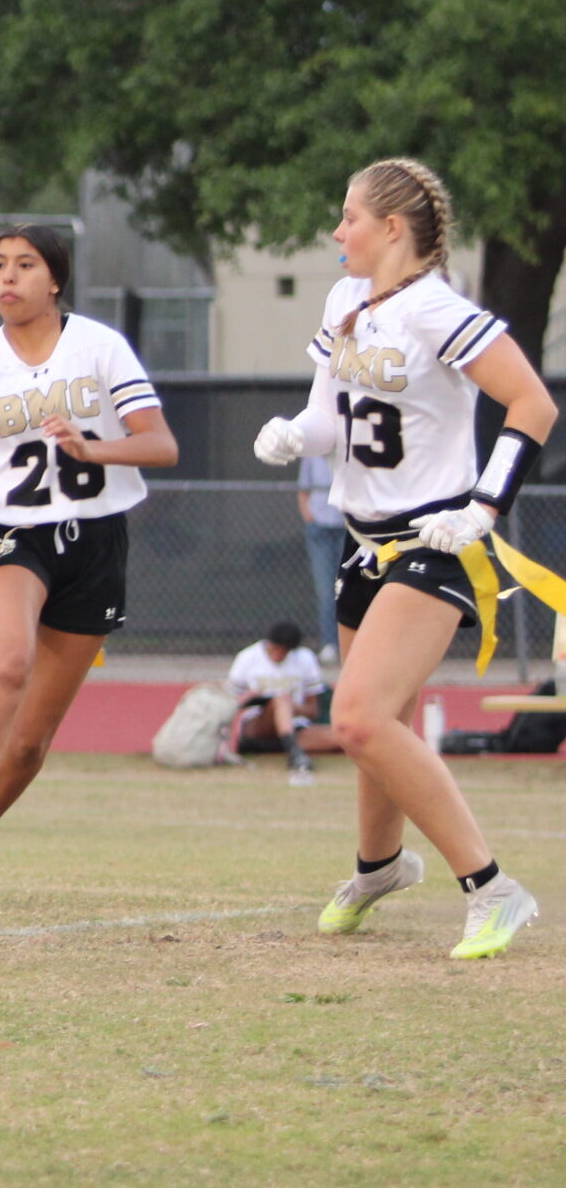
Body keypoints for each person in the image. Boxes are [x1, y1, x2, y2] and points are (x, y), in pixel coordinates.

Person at [253, 156, 552, 960]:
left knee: (355, 715)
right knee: (376, 724)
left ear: (393, 228)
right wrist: (294, 435)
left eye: (348, 217)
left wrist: (482, 506)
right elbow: (328, 418)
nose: (335, 231)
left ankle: (493, 887)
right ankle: (379, 865)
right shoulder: (346, 298)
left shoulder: (436, 310)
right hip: (363, 539)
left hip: (433, 541)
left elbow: (533, 404)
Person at [0, 225, 179, 897]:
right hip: (8, 531)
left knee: (31, 741)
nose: (7, 278)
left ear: (56, 280)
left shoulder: (99, 347)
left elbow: (160, 445)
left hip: (94, 540)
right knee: (8, 658)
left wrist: (92, 448)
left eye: (24, 265)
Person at [226, 621, 335, 785]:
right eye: (274, 649)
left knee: (345, 737)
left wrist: (292, 706)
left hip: (295, 727)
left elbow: (313, 710)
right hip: (258, 725)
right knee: (280, 699)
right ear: (268, 643)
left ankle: (287, 747)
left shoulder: (305, 659)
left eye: (284, 652)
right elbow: (228, 704)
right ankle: (295, 754)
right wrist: (249, 698)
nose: (278, 655)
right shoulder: (247, 658)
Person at [299, 452, 347, 662]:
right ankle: (330, 644)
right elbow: (303, 490)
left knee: (348, 588)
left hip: (347, 528)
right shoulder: (312, 454)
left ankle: (349, 646)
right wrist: (309, 517)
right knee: (326, 591)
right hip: (319, 528)